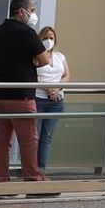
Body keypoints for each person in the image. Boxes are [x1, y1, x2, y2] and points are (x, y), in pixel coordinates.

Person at [0, 0, 51, 185]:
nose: (33, 14)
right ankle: (32, 178)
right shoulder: (27, 32)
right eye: (32, 10)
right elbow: (45, 59)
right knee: (29, 139)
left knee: (3, 140)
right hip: (21, 94)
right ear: (21, 11)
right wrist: (31, 61)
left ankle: (2, 181)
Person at [35, 26, 70, 171]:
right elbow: (32, 77)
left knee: (46, 137)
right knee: (34, 138)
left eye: (51, 38)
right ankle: (31, 170)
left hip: (56, 101)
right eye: (45, 38)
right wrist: (47, 88)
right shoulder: (34, 57)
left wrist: (56, 88)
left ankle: (41, 170)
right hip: (38, 99)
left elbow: (67, 75)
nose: (49, 41)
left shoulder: (60, 56)